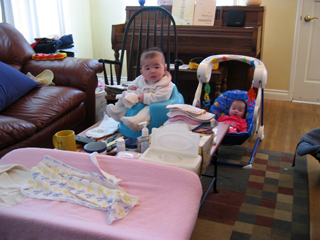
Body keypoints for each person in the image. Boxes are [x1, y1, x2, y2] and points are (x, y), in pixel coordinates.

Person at [106, 47, 173, 131]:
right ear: (142, 72)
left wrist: (143, 98)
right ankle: (118, 112)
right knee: (126, 96)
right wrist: (132, 87)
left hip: (154, 105)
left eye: (156, 67)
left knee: (149, 109)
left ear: (164, 69)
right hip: (138, 98)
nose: (152, 71)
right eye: (147, 68)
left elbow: (162, 97)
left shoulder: (165, 84)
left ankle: (136, 123)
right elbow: (134, 82)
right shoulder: (141, 78)